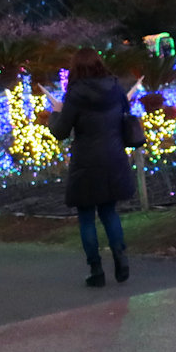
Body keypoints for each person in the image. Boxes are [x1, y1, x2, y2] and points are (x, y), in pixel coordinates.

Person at [49, 47, 134, 287]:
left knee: (86, 217)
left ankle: (96, 270)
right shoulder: (116, 88)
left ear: (76, 68)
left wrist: (55, 113)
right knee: (109, 212)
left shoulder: (75, 95)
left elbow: (60, 131)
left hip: (86, 162)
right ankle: (121, 258)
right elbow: (124, 117)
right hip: (114, 158)